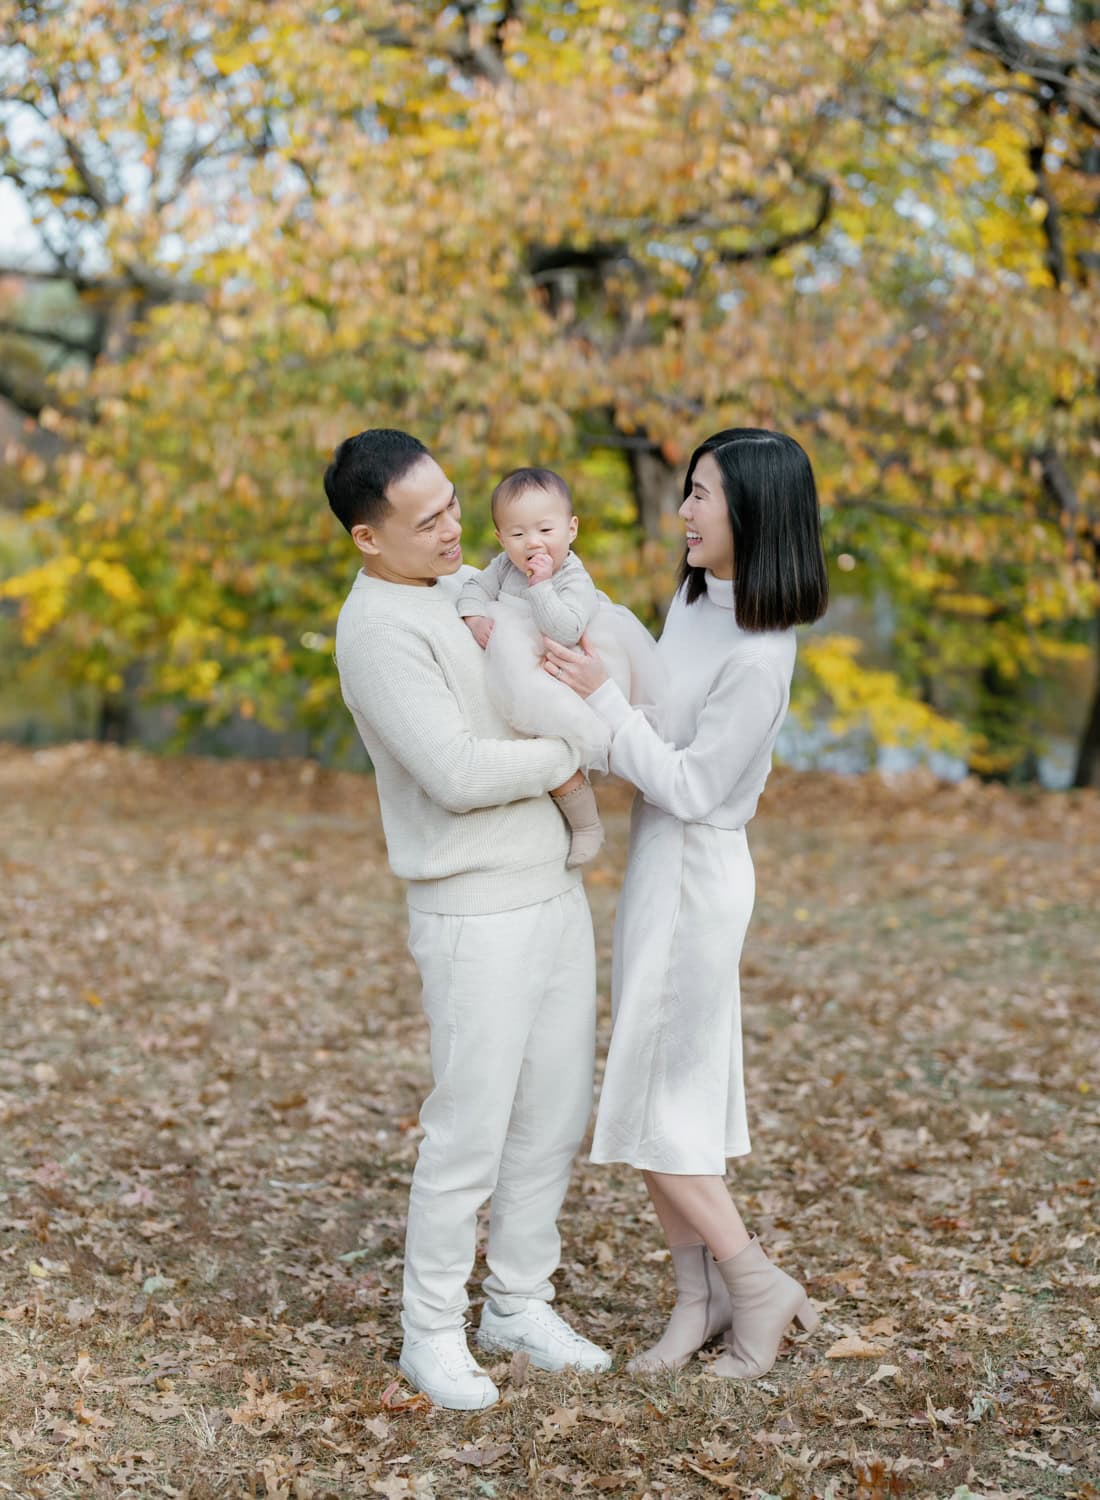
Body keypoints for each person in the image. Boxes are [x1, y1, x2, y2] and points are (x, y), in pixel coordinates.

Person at [326, 429, 611, 1411]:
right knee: (469, 1131)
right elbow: (450, 774)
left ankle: (517, 1304)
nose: (454, 529)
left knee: (552, 1114)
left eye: (452, 505)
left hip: (550, 891)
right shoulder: (375, 630)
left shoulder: (460, 590)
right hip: (469, 909)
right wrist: (568, 757)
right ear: (368, 538)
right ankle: (430, 1333)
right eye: (427, 519)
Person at [543, 428, 830, 1379]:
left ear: (756, 511)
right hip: (655, 863)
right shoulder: (699, 597)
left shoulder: (762, 651)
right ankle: (696, 1300)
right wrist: (609, 689)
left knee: (659, 1108)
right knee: (674, 1100)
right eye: (690, 492)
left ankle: (756, 1285)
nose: (686, 512)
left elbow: (696, 785)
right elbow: (659, 722)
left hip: (697, 871)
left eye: (703, 495)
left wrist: (608, 708)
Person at [457, 466, 662, 868]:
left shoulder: (572, 577)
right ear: (501, 538)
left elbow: (565, 628)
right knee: (524, 748)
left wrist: (541, 585)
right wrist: (474, 617)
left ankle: (587, 825)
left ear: (571, 529)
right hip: (518, 672)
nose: (532, 543)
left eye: (545, 531)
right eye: (517, 534)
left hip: (558, 673)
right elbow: (474, 588)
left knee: (557, 748)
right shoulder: (502, 566)